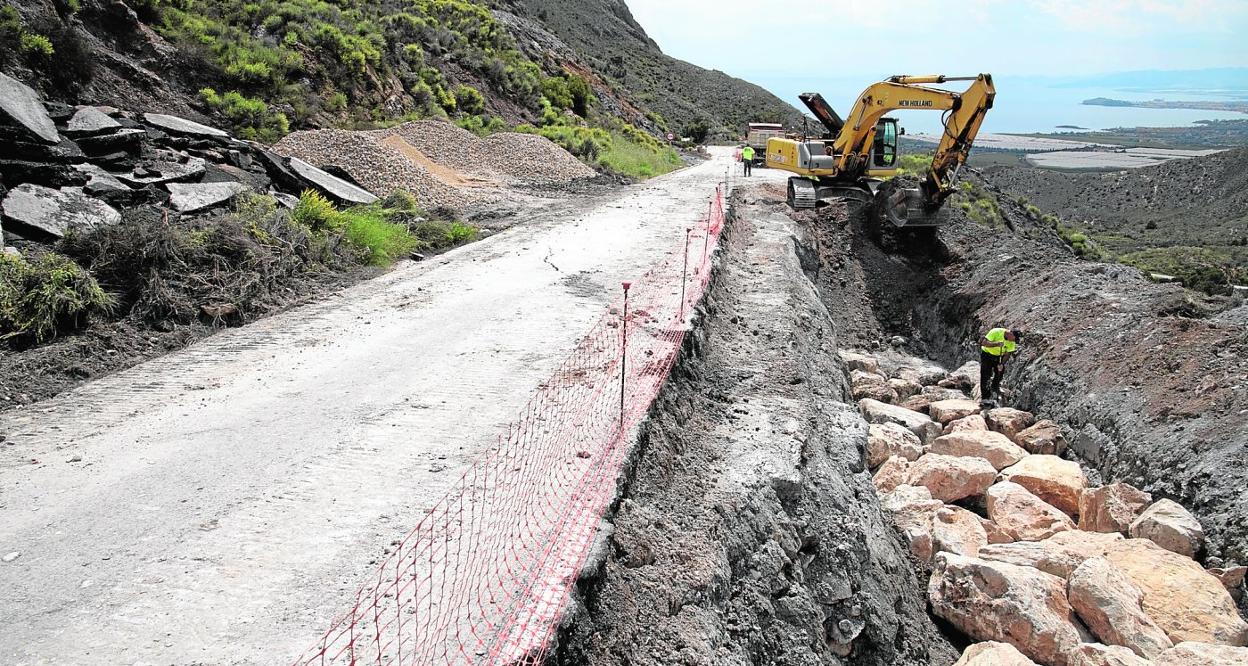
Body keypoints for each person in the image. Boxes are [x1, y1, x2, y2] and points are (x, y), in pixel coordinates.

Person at [979, 327, 1021, 405]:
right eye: (1014, 339)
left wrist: (1002, 363)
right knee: (985, 374)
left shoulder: (1011, 342)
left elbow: (1008, 354)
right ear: (1011, 334)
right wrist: (997, 344)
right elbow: (984, 343)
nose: (1014, 341)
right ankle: (985, 397)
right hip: (986, 354)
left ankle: (995, 387)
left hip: (998, 356)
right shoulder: (996, 332)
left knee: (1000, 371)